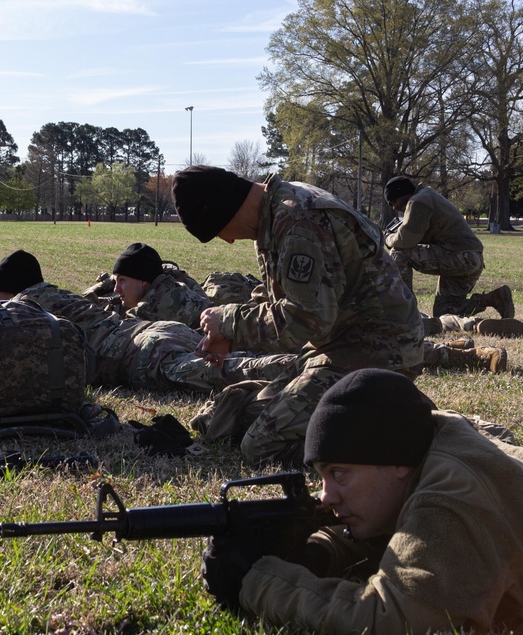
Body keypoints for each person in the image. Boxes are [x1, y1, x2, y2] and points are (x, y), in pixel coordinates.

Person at [202, 368, 523, 635]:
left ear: (395, 463)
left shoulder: (453, 500)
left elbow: (389, 620)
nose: (326, 496)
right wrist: (319, 551)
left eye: (340, 473)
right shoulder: (421, 438)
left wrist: (257, 579)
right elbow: (391, 532)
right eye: (321, 475)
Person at [170, 165, 424, 466]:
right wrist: (226, 336)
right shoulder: (276, 210)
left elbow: (307, 319)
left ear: (225, 210)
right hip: (337, 349)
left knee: (260, 446)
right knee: (246, 416)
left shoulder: (298, 219)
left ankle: (396, 424)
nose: (226, 240)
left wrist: (229, 321)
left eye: (218, 230)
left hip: (377, 355)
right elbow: (278, 297)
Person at [0, 250, 293, 394]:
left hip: (140, 352)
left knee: (219, 372)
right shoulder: (57, 298)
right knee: (224, 361)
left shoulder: (22, 307)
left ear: (9, 291)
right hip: (148, 333)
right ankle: (294, 361)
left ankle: (298, 368)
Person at [383, 176, 515, 319]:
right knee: (444, 313)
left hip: (459, 257)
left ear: (403, 193)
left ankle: (406, 312)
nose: (394, 207)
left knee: (399, 253)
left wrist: (387, 239)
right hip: (469, 259)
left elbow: (406, 240)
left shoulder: (418, 201)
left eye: (394, 201)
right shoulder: (427, 195)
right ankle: (492, 298)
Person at [83, 242, 212, 328]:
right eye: (116, 281)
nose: (116, 289)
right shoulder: (167, 284)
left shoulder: (152, 307)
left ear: (144, 281)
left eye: (122, 280)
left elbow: (117, 335)